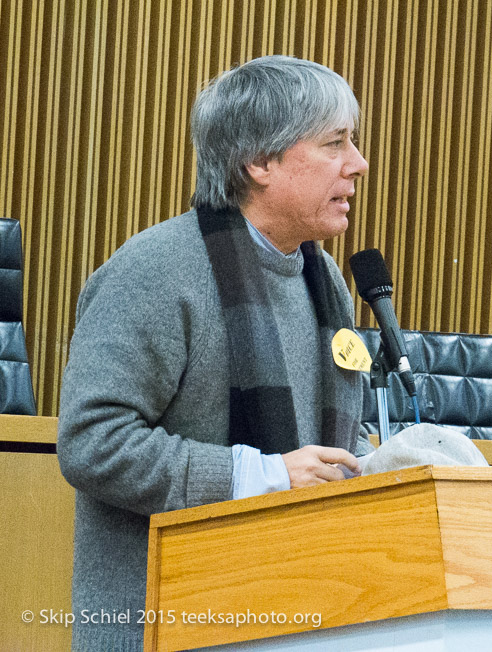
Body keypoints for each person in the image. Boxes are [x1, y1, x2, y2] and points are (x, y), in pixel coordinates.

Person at [57, 55, 373, 650]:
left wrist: (381, 462)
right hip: (163, 623)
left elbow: (325, 448)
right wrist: (259, 475)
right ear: (259, 161)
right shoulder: (155, 272)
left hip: (298, 613)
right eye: (335, 143)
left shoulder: (323, 278)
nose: (357, 164)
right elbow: (91, 443)